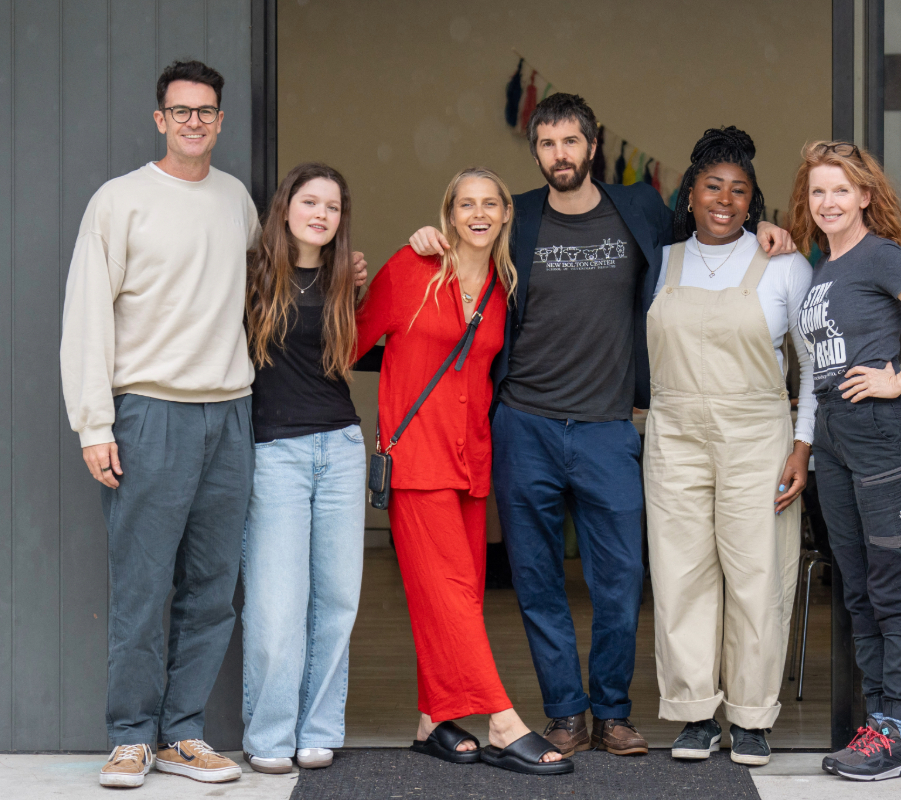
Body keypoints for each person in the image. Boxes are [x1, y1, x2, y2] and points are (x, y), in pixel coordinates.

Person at [410, 93, 796, 757]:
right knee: (535, 582)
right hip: (523, 425)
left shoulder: (639, 209)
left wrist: (769, 230)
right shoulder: (516, 215)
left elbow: (712, 228)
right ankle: (565, 713)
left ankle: (612, 712)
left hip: (610, 427)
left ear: (591, 146)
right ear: (536, 152)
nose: (560, 155)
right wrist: (427, 240)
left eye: (571, 142)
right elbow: (464, 243)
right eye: (548, 144)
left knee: (620, 581)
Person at [60, 60, 256, 788]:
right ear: (160, 119)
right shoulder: (120, 202)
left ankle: (182, 734)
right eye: (181, 111)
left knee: (212, 586)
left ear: (220, 120)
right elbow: (86, 315)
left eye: (206, 111)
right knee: (142, 585)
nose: (194, 121)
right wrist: (94, 424)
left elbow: (265, 293)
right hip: (150, 413)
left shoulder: (237, 201)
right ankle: (130, 736)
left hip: (230, 412)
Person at [358, 168, 572, 775]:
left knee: (458, 595)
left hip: (472, 461)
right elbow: (346, 341)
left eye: (490, 204)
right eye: (465, 204)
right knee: (451, 596)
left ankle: (432, 720)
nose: (478, 214)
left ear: (507, 214)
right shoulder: (411, 270)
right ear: (449, 214)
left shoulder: (506, 286)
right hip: (417, 461)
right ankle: (504, 722)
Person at [788, 142, 901, 781]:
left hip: (879, 433)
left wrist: (898, 379)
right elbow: (816, 366)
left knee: (891, 585)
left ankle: (899, 731)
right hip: (837, 436)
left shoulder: (879, 256)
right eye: (817, 191)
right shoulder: (822, 269)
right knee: (860, 589)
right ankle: (880, 728)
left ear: (865, 196)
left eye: (840, 190)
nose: (828, 202)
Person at [644, 127, 813, 766]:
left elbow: (815, 369)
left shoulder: (786, 265)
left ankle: (749, 717)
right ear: (690, 194)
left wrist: (804, 446)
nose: (725, 199)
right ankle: (693, 714)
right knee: (681, 572)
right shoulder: (660, 261)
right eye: (713, 186)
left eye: (738, 190)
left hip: (758, 434)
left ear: (753, 201)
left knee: (757, 574)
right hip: (675, 433)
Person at [240, 163, 365, 774]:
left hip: (340, 448)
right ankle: (268, 736)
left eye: (333, 207)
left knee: (337, 599)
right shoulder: (251, 275)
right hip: (275, 454)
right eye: (310, 201)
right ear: (286, 207)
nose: (321, 214)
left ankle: (318, 728)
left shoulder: (346, 279)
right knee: (275, 605)